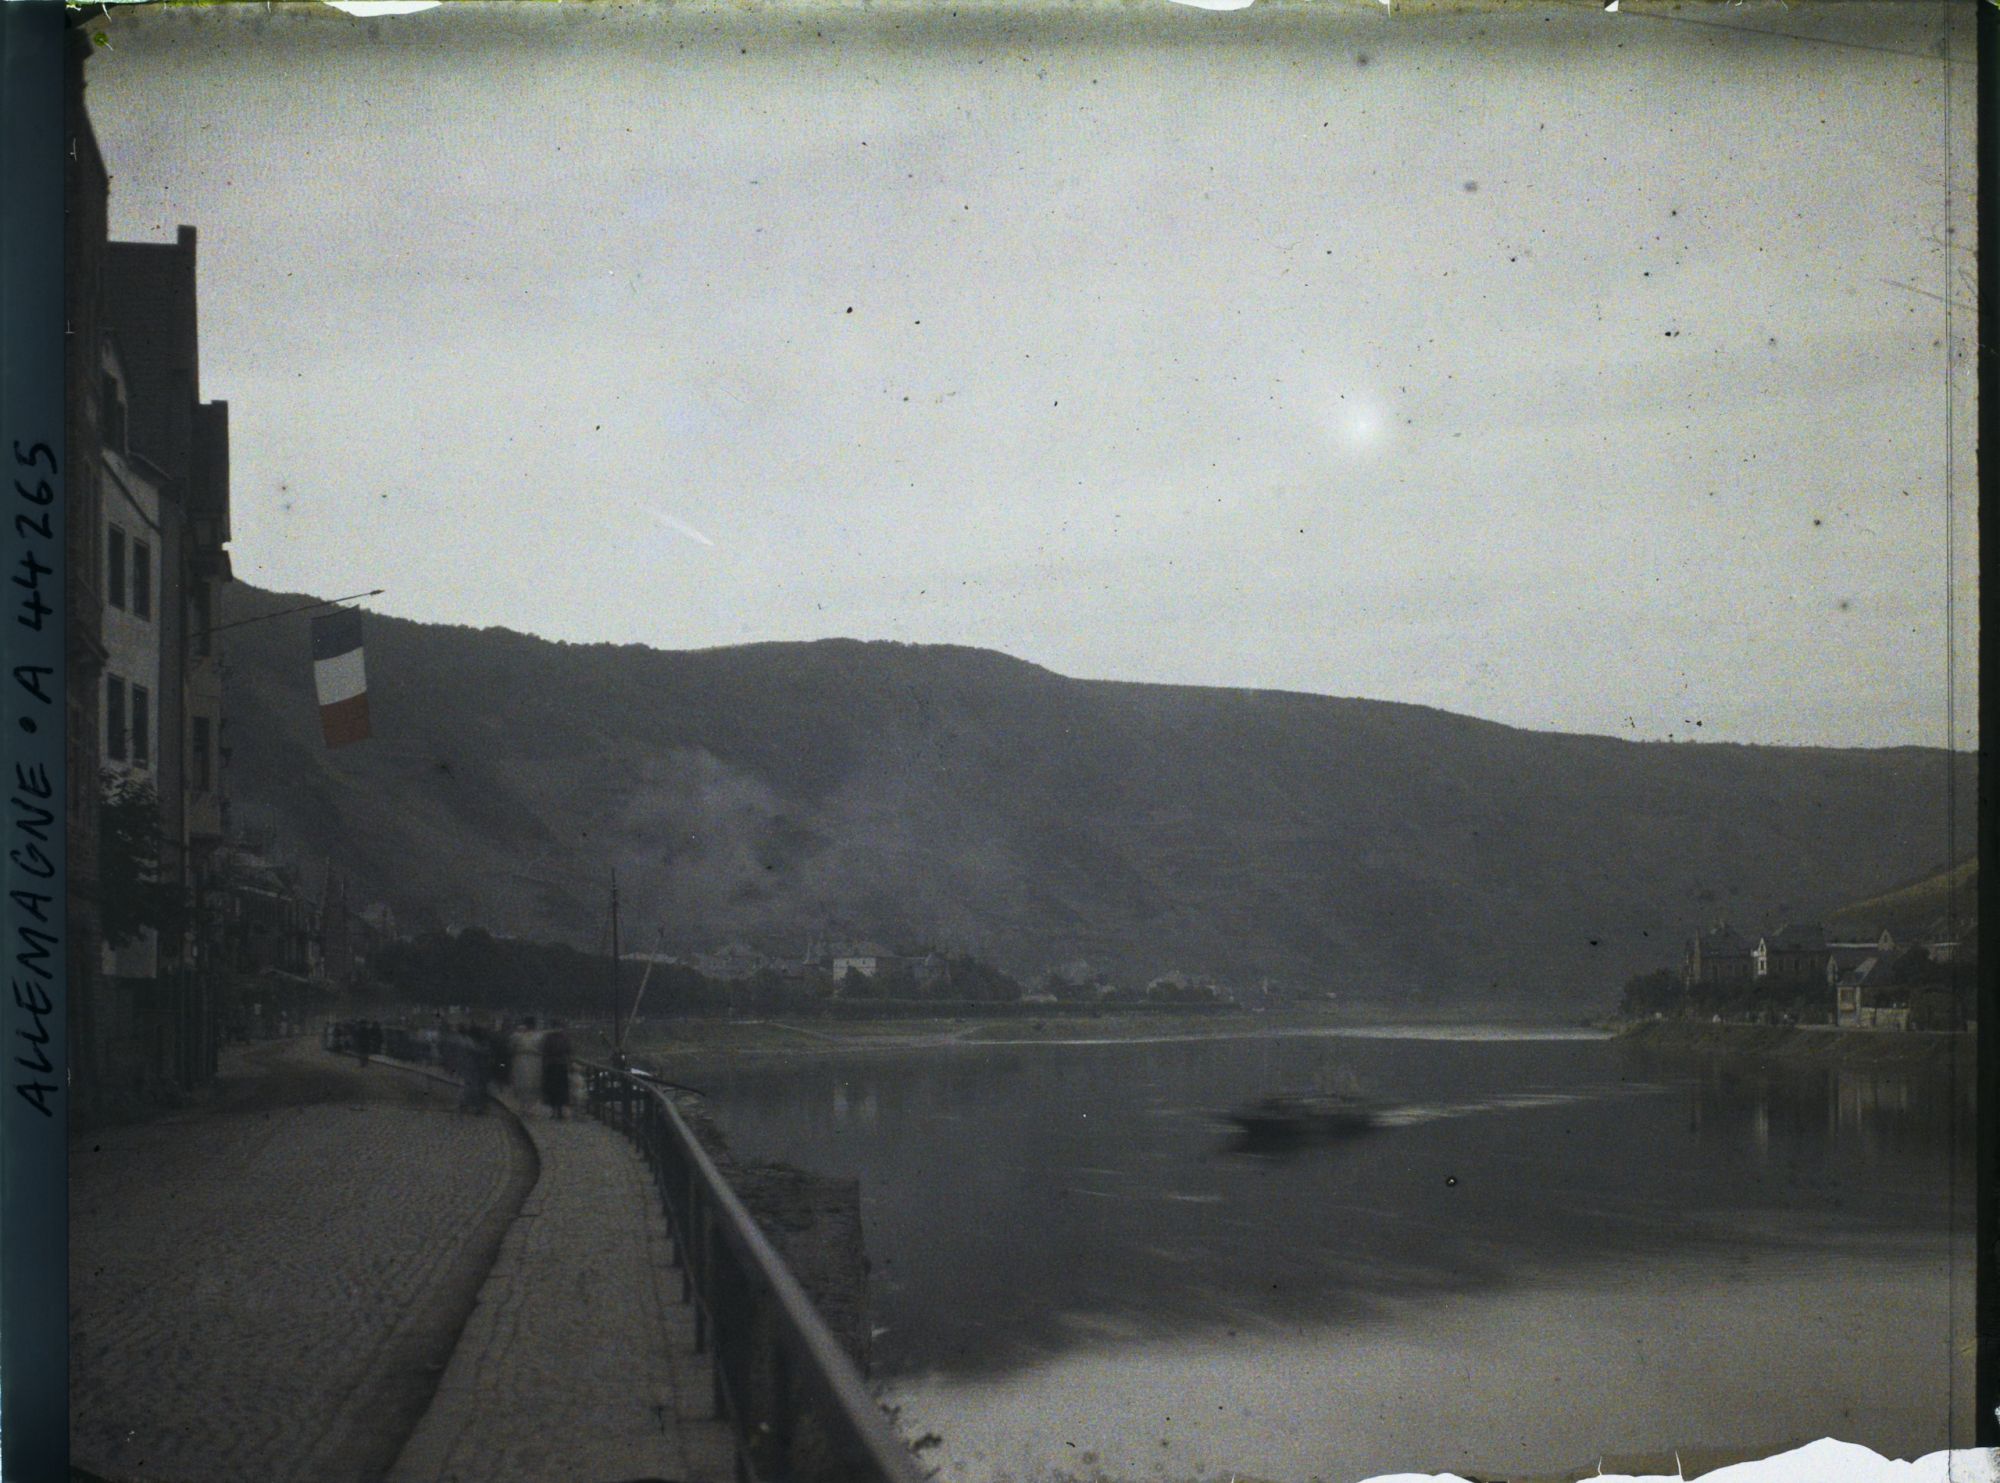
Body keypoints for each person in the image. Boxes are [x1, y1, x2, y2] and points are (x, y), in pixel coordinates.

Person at [539, 1021, 573, 1120]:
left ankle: (558, 1111)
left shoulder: (552, 1038)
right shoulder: (562, 1038)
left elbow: (568, 1050)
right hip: (556, 1065)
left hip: (556, 1065)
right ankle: (556, 1111)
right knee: (556, 1089)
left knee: (557, 1089)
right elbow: (569, 1051)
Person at [510, 1018, 542, 1109]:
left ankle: (524, 1104)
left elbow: (511, 1047)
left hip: (521, 1059)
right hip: (534, 1060)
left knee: (523, 1082)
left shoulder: (517, 1036)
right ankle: (528, 1105)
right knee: (531, 1082)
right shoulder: (539, 1036)